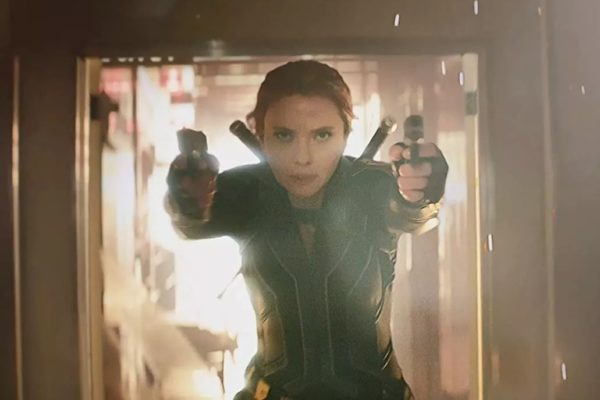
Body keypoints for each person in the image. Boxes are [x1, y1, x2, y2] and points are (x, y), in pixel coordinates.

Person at [164, 60, 448, 400]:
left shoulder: (374, 186)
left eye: (322, 135)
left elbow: (413, 212)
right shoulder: (248, 190)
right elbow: (194, 221)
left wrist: (422, 189)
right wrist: (186, 197)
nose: (302, 157)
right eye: (284, 135)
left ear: (346, 134)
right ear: (260, 135)